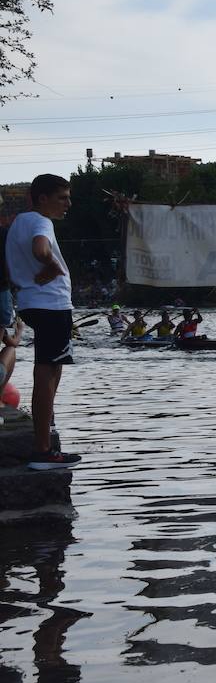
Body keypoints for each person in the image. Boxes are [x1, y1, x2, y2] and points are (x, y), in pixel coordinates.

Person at [4, 174, 78, 470]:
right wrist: (53, 265)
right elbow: (40, 249)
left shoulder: (17, 223)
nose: (68, 204)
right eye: (62, 198)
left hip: (31, 303)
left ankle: (44, 440)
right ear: (42, 199)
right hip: (52, 305)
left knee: (46, 371)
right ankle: (43, 451)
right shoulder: (41, 222)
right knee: (48, 374)